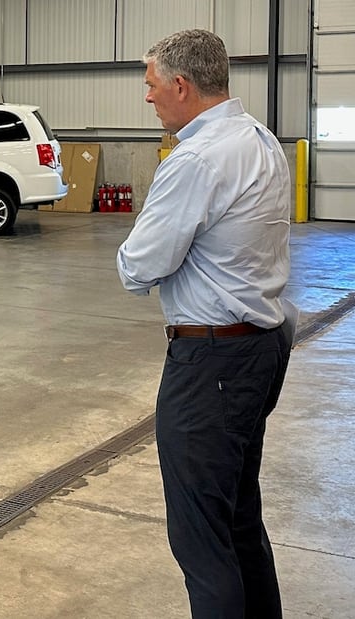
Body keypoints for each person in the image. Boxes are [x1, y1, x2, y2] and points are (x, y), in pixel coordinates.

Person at [117, 29, 296, 618]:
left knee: (201, 537)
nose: (148, 98)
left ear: (181, 85)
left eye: (150, 85)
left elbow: (139, 266)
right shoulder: (262, 140)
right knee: (239, 517)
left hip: (211, 362)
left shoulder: (194, 159)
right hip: (261, 348)